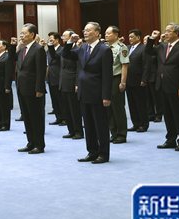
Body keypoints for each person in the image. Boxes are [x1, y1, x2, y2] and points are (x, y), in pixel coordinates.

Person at [145, 23, 179, 152]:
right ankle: (170, 139)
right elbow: (148, 51)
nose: (166, 33)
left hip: (175, 85)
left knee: (178, 114)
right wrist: (152, 38)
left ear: (176, 34)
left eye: (169, 31)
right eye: (165, 31)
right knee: (167, 114)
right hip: (162, 84)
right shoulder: (162, 46)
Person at [75, 22, 113, 164]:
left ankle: (103, 154)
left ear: (97, 33)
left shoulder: (104, 50)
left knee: (100, 125)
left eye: (88, 30)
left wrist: (106, 96)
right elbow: (67, 55)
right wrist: (69, 43)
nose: (85, 33)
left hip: (97, 93)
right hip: (84, 92)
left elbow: (107, 75)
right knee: (89, 125)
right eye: (84, 30)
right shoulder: (83, 47)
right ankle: (92, 152)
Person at [10, 24, 47, 153]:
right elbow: (11, 58)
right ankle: (30, 143)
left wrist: (39, 89)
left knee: (36, 118)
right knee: (27, 117)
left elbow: (41, 71)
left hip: (33, 89)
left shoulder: (38, 49)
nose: (21, 35)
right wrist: (13, 46)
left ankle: (39, 145)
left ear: (32, 35)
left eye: (24, 33)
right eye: (21, 33)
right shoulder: (22, 49)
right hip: (22, 88)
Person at [50, 29, 84, 140]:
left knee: (74, 109)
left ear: (71, 38)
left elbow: (79, 68)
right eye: (62, 36)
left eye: (65, 36)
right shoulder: (64, 50)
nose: (63, 38)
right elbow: (55, 58)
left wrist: (77, 83)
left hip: (72, 82)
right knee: (66, 109)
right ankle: (71, 130)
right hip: (63, 82)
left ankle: (78, 131)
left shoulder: (77, 50)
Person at [105, 26, 130, 144]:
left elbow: (124, 65)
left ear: (116, 35)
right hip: (106, 79)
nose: (106, 35)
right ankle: (113, 133)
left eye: (109, 33)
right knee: (108, 107)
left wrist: (123, 82)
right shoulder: (105, 47)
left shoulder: (121, 47)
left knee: (118, 107)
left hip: (116, 78)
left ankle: (121, 134)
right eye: (105, 33)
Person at [124, 29, 149, 133]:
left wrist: (144, 79)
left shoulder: (144, 48)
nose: (130, 39)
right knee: (132, 103)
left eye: (132, 37)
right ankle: (136, 123)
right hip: (128, 80)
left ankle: (143, 124)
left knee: (140, 103)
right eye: (129, 37)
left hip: (139, 80)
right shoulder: (127, 48)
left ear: (138, 37)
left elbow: (146, 65)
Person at [0, 39, 14, 131]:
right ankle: (0, 123)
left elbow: (9, 73)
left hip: (3, 85)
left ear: (4, 46)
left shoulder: (7, 56)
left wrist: (7, 86)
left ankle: (5, 124)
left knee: (4, 105)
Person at [46, 32, 65, 127]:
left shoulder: (62, 50)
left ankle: (64, 118)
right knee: (54, 100)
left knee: (61, 100)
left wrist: (50, 46)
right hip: (51, 77)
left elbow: (55, 56)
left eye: (51, 39)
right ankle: (58, 118)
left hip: (58, 77)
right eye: (49, 39)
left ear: (57, 40)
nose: (50, 41)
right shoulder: (49, 50)